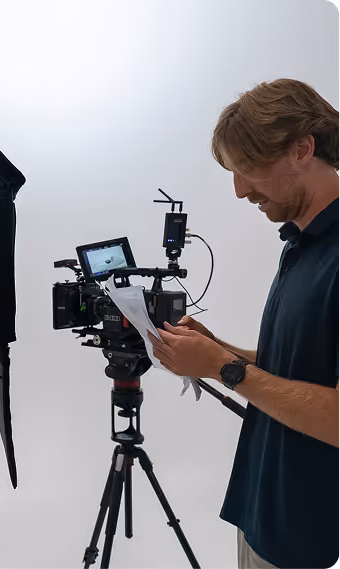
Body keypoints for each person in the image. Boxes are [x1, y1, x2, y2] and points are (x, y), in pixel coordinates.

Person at [149, 79, 338, 569]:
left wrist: (225, 371)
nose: (239, 191)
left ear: (302, 148)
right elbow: (303, 366)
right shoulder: (301, 240)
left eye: (248, 170)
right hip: (263, 513)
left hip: (306, 536)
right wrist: (219, 351)